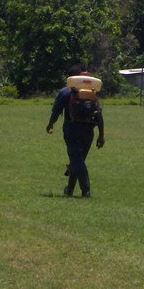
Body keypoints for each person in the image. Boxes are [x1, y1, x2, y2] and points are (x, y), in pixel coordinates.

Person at [46, 65, 105, 197]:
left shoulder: (65, 92)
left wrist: (50, 124)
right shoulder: (92, 93)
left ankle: (86, 190)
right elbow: (98, 114)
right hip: (89, 130)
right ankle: (70, 190)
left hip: (72, 129)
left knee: (77, 160)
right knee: (77, 160)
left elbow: (56, 111)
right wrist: (101, 135)